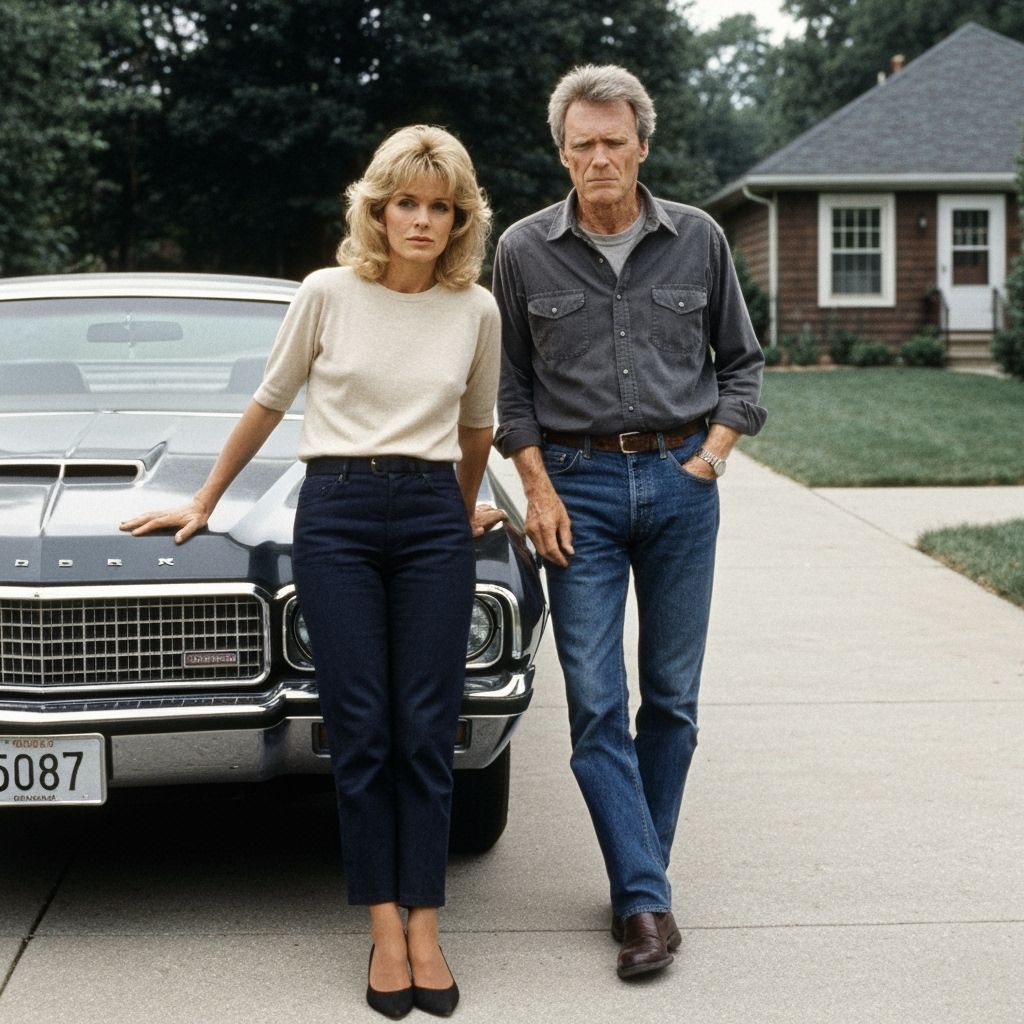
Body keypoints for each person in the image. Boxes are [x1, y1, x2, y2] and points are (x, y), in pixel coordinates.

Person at [121, 124, 505, 1019]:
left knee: (426, 731)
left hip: (430, 519)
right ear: (378, 209)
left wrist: (460, 508)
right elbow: (268, 403)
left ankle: (426, 925)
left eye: (440, 207)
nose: (421, 220)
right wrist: (205, 500)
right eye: (405, 202)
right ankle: (382, 929)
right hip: (335, 513)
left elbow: (478, 425)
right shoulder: (326, 293)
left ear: (460, 220)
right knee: (361, 729)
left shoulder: (476, 310)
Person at [492, 65, 767, 980]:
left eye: (615, 142)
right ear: (562, 154)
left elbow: (742, 364)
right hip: (577, 493)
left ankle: (638, 889)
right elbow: (510, 389)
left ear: (643, 146)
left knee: (673, 698)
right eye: (584, 145)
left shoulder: (700, 239)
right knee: (596, 702)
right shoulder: (523, 250)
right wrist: (537, 489)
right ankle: (647, 902)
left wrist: (711, 458)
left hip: (683, 481)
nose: (600, 158)